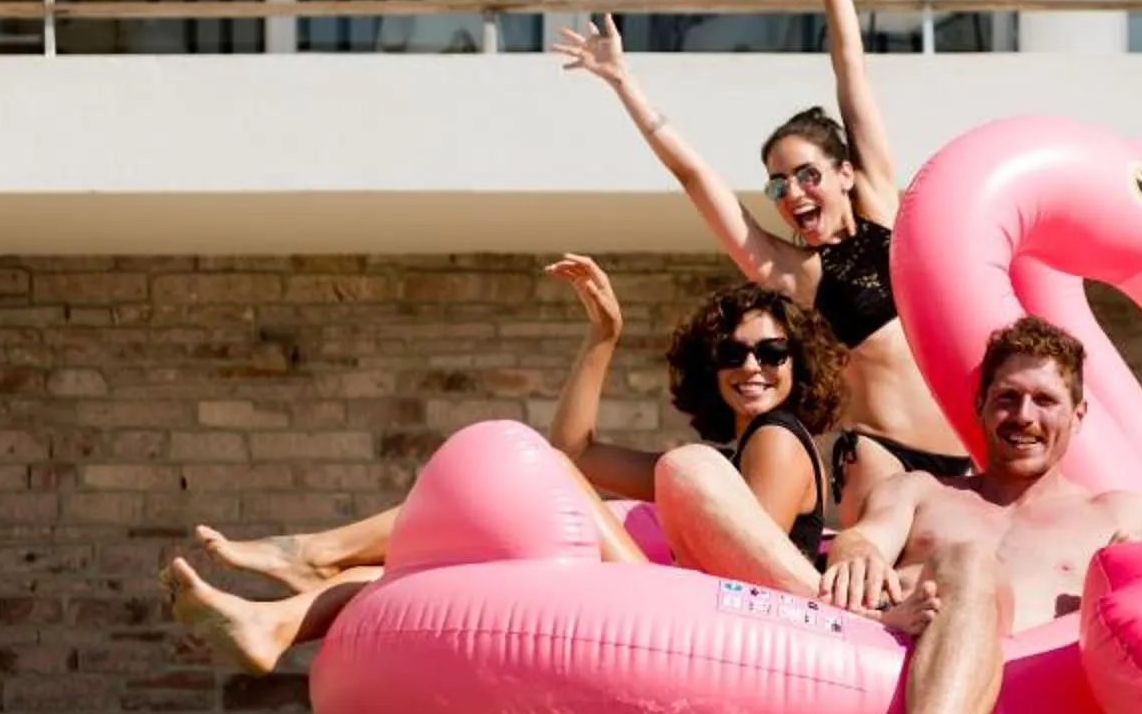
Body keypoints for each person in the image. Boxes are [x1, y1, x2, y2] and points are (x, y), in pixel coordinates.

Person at [166, 263, 858, 673]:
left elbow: (752, 575)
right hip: (671, 599)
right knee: (451, 556)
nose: (751, 368)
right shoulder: (719, 465)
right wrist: (602, 337)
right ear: (710, 370)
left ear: (798, 363)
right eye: (732, 355)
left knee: (537, 473)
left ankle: (315, 551)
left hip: (704, 627)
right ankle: (280, 622)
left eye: (771, 354)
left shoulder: (775, 438)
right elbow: (579, 450)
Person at [553, 0, 973, 515]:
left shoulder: (882, 206)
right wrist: (627, 86)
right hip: (884, 464)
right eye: (777, 184)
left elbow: (850, 72)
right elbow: (698, 180)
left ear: (844, 174)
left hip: (965, 458)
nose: (792, 192)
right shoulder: (798, 272)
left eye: (806, 175)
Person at [670, 315, 1142, 714]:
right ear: (982, 406)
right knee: (966, 560)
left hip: (1033, 709)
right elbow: (862, 539)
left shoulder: (1119, 514)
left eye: (1045, 400)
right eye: (1007, 397)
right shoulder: (919, 491)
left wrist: (1135, 569)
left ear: (1078, 414)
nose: (1024, 416)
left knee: (969, 562)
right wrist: (858, 551)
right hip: (877, 674)